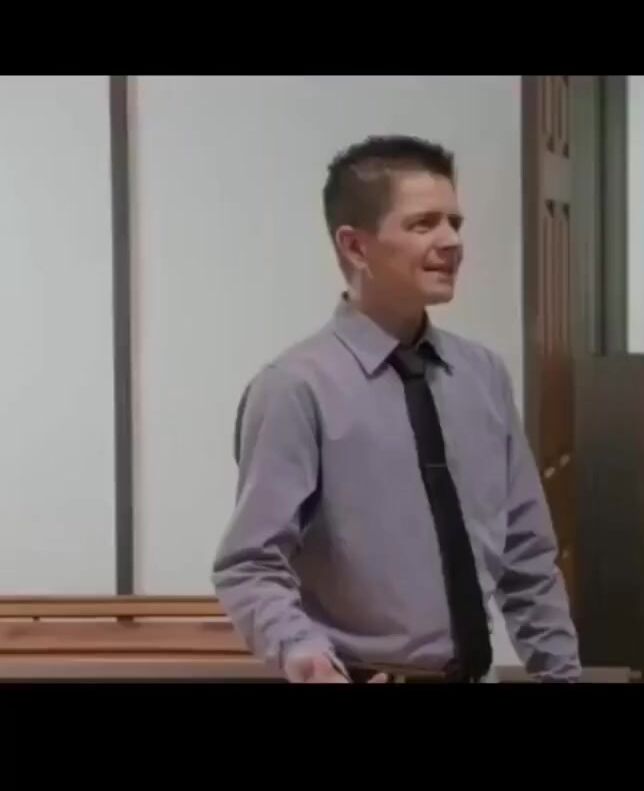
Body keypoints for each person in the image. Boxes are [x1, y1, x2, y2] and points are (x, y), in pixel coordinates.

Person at [212, 135, 581, 684]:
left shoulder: (482, 376)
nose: (451, 241)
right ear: (355, 247)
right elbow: (250, 563)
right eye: (424, 224)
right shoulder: (295, 389)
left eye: (455, 222)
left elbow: (527, 557)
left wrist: (562, 675)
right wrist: (299, 649)